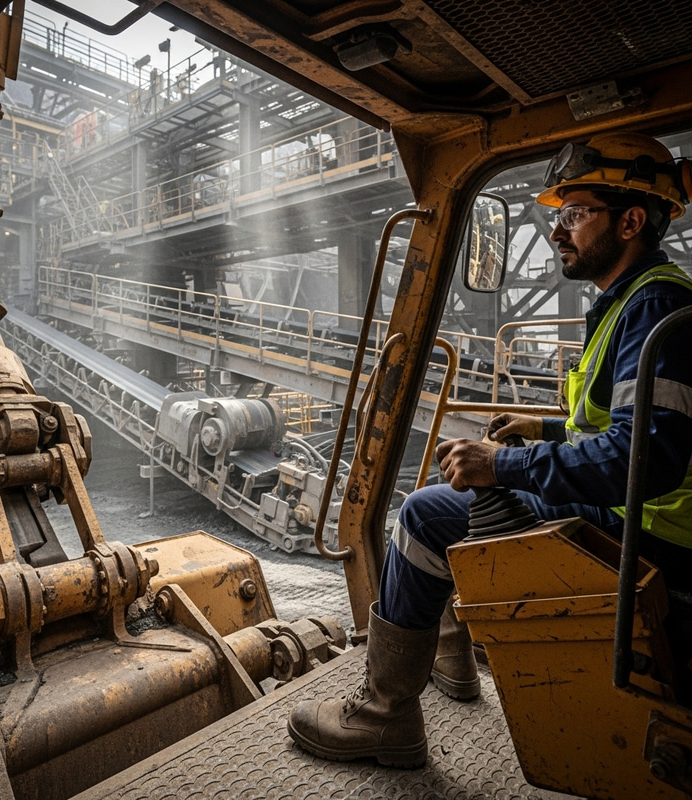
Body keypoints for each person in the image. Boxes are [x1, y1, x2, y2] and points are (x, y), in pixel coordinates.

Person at [287, 132, 692, 768]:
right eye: (557, 215)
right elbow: (625, 430)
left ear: (631, 220)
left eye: (576, 213)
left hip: (647, 536)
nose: (559, 230)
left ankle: (386, 714)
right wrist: (541, 435)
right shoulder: (633, 302)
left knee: (423, 514)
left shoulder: (657, 308)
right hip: (643, 521)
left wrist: (503, 463)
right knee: (458, 485)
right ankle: (451, 661)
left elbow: (649, 462)